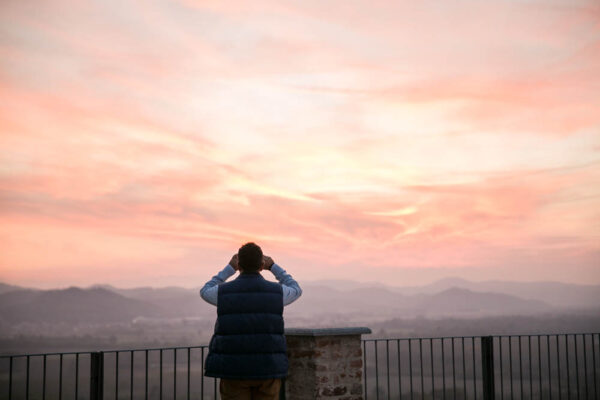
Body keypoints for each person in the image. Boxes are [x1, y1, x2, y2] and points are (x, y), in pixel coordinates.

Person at [199, 242, 302, 400]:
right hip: (268, 368)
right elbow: (295, 288)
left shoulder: (223, 293)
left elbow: (205, 291)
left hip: (233, 370)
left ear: (239, 265)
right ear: (261, 265)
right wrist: (273, 266)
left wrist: (229, 268)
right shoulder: (277, 292)